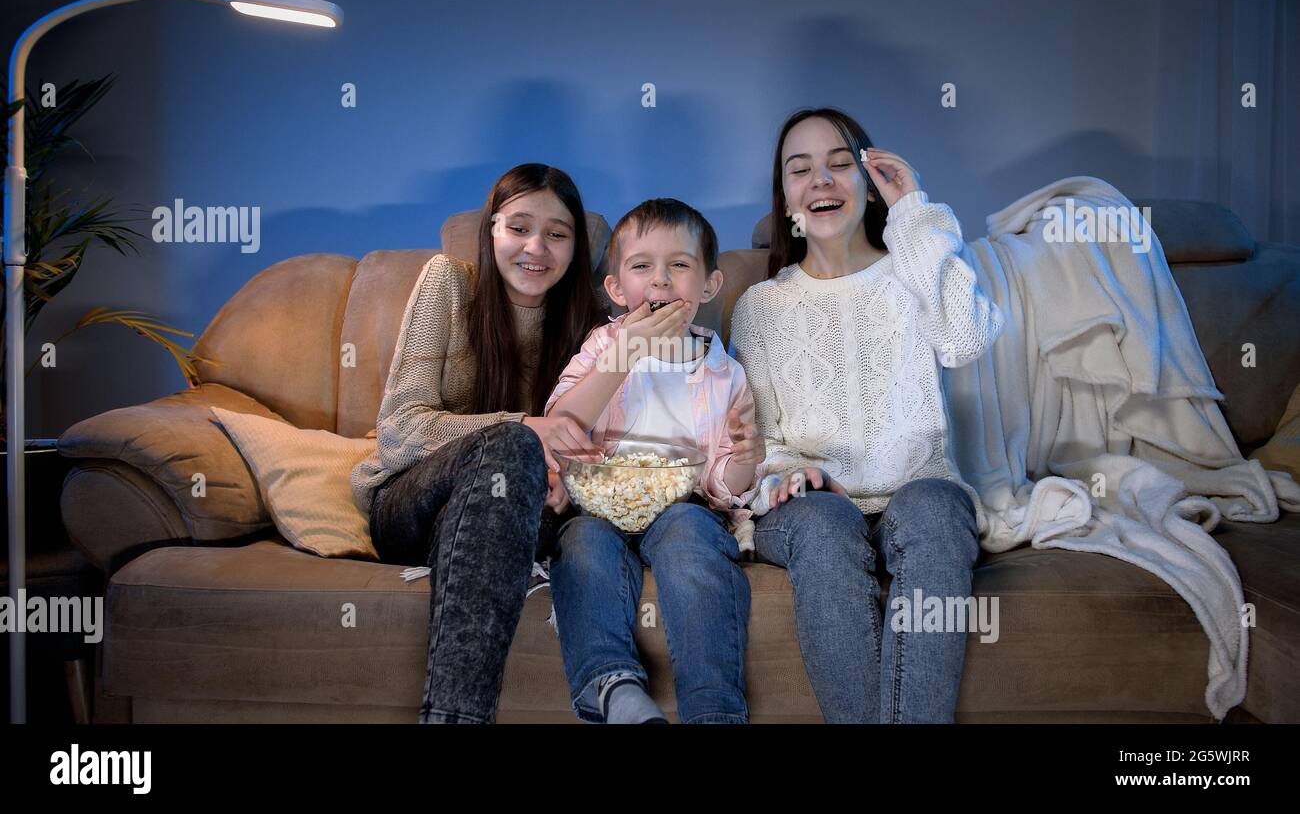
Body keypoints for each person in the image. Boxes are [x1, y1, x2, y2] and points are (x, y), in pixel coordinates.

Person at [730, 107, 1005, 723]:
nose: (821, 181)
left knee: (934, 507)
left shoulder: (912, 272)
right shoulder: (758, 308)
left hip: (916, 491)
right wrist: (793, 476)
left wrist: (912, 212)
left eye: (839, 165)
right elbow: (764, 443)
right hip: (809, 508)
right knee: (824, 524)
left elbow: (965, 339)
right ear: (785, 196)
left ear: (870, 178)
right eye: (801, 170)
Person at [350, 163, 604, 723]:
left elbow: (602, 450)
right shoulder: (448, 282)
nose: (535, 247)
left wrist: (568, 485)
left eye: (557, 234)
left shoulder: (592, 324)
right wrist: (521, 425)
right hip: (408, 503)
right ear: (491, 231)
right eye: (518, 227)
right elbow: (399, 431)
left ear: (575, 247)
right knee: (513, 447)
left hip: (504, 518)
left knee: (518, 477)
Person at [544, 198, 763, 723]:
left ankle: (713, 706)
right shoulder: (603, 346)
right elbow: (560, 428)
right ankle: (613, 690)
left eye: (679, 266)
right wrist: (628, 350)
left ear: (709, 285)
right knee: (579, 544)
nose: (660, 281)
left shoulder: (724, 371)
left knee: (693, 534)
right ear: (617, 289)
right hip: (598, 506)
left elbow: (723, 480)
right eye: (642, 266)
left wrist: (745, 459)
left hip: (682, 505)